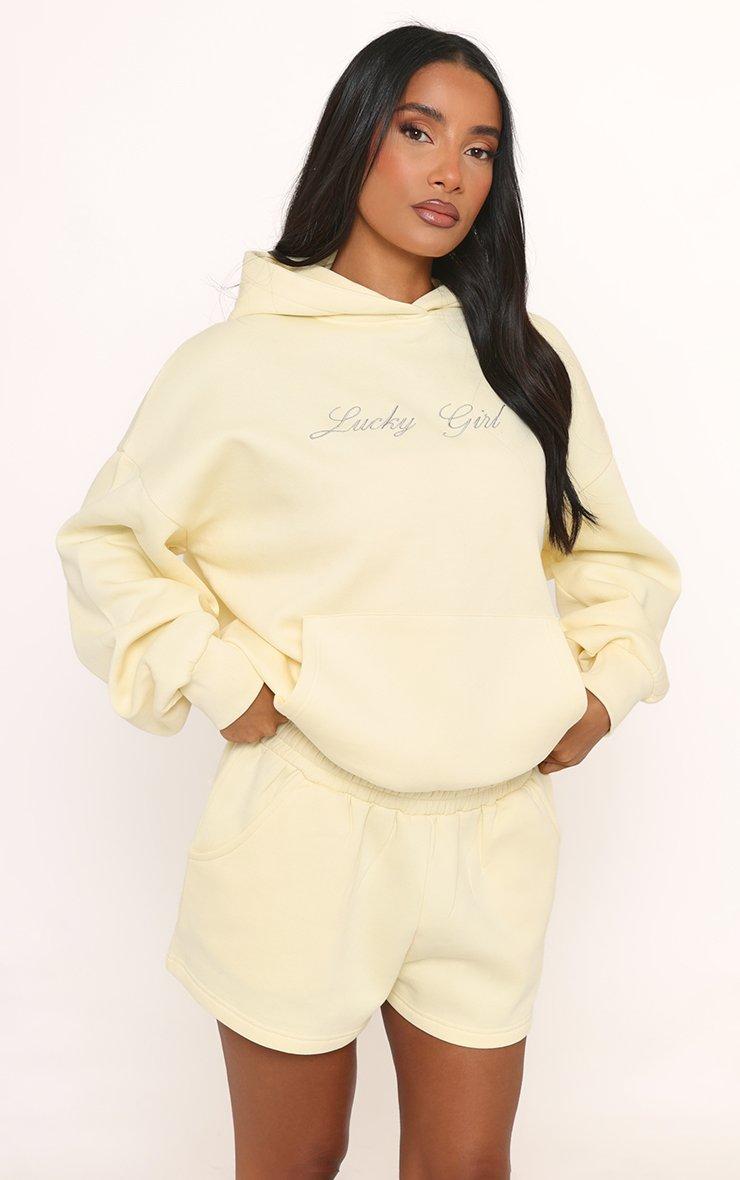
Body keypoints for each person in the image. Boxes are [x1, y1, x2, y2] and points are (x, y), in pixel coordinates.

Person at [53, 22, 682, 1180]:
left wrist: (600, 691)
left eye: (480, 148)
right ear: (357, 139)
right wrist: (219, 679)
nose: (451, 172)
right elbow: (107, 545)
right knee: (293, 1161)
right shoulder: (236, 365)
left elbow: (614, 560)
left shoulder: (523, 360)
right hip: (307, 818)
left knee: (466, 1166)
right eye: (417, 132)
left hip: (491, 827)